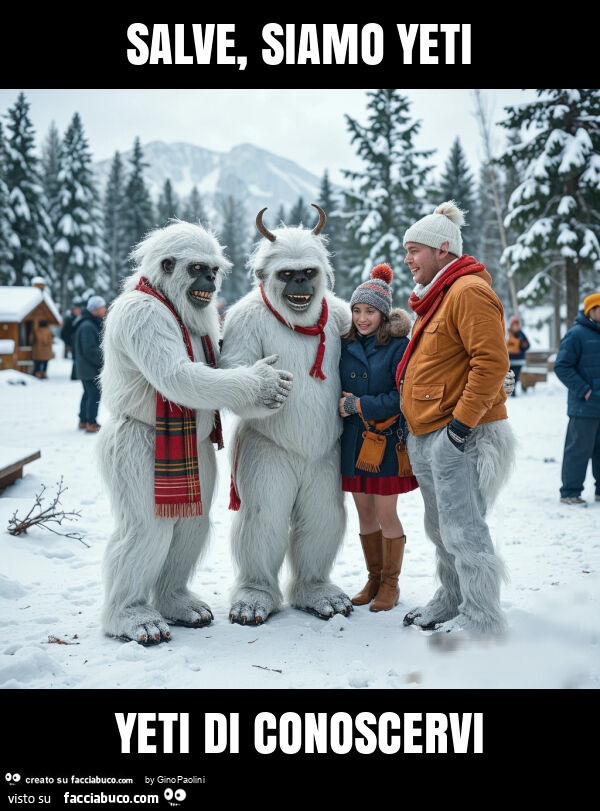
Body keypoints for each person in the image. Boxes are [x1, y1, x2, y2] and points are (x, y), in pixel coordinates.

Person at [398, 201, 515, 636]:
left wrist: (460, 429)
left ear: (442, 249)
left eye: (414, 250)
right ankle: (451, 599)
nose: (408, 259)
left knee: (464, 530)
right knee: (441, 528)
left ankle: (481, 616)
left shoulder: (468, 292)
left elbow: (492, 364)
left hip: (460, 433)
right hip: (431, 432)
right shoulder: (439, 296)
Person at [338, 265, 418, 612]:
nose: (362, 318)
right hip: (354, 440)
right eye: (357, 310)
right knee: (364, 513)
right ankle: (373, 577)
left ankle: (390, 583)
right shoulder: (346, 344)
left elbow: (403, 398)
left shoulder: (400, 347)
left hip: (385, 441)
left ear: (383, 313)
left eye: (369, 311)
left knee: (386, 513)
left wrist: (358, 404)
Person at [554, 292, 600, 505]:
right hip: (584, 406)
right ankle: (570, 492)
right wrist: (584, 390)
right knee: (578, 451)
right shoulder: (576, 334)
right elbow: (562, 366)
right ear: (592, 310)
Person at [74, 295, 106, 433]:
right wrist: (104, 359)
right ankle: (91, 423)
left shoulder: (88, 323)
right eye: (102, 307)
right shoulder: (88, 325)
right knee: (94, 395)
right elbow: (89, 350)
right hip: (89, 368)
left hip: (85, 368)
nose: (105, 309)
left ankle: (83, 420)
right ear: (95, 309)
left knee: (88, 394)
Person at [506, 315, 530, 395]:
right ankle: (510, 390)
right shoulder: (507, 334)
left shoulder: (521, 334)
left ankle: (513, 389)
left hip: (519, 360)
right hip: (510, 360)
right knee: (509, 376)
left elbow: (527, 345)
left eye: (517, 325)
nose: (516, 327)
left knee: (516, 376)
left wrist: (524, 345)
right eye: (514, 325)